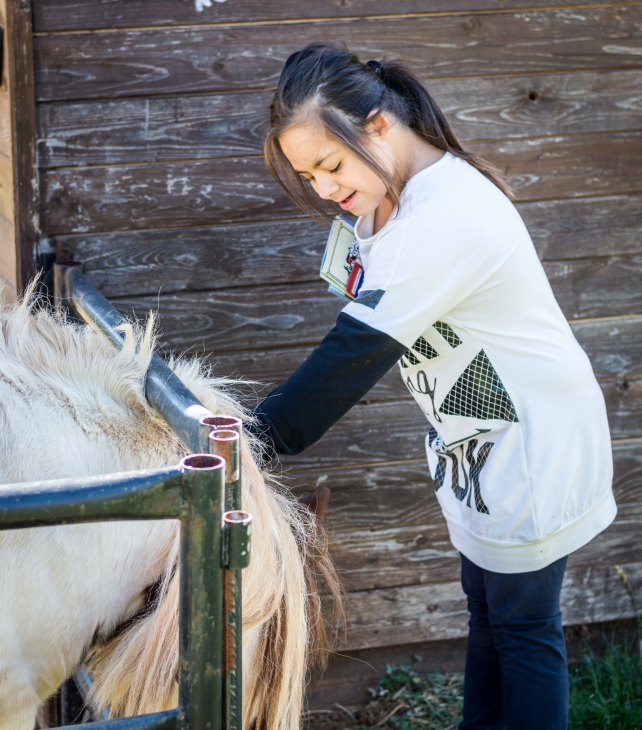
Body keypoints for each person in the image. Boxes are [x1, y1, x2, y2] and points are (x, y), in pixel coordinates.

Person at [248, 40, 616, 730]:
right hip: (475, 440)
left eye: (330, 165)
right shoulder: (390, 204)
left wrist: (251, 442)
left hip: (532, 439)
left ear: (379, 124)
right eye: (310, 175)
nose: (324, 189)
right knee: (488, 609)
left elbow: (353, 352)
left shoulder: (446, 213)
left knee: (524, 625)